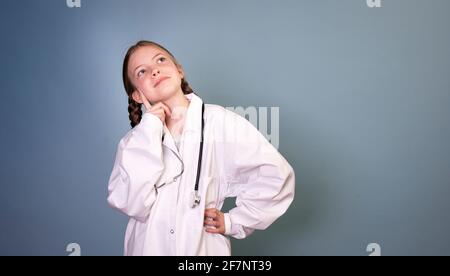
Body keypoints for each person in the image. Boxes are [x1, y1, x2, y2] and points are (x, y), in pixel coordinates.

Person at [107, 40, 295, 255]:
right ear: (137, 95)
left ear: (179, 71)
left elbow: (276, 175)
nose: (154, 70)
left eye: (160, 60)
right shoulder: (134, 142)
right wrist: (149, 130)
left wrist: (233, 221)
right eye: (141, 71)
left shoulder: (220, 121)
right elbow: (131, 204)